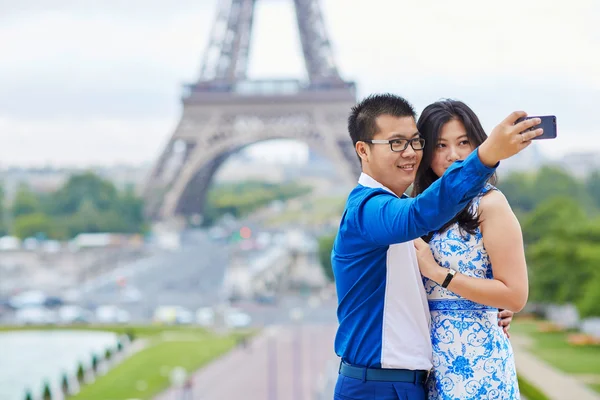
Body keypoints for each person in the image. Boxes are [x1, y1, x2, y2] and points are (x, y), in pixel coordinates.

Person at [331, 93, 542, 400]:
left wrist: (487, 308)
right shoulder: (375, 212)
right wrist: (484, 156)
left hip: (437, 375)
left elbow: (509, 291)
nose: (408, 152)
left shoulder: (414, 209)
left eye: (414, 142)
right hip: (384, 382)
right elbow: (417, 217)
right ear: (363, 150)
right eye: (395, 143)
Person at [412, 100, 527, 399]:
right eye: (440, 145)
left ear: (479, 143)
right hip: (430, 366)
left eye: (464, 142)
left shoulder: (491, 205)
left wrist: (439, 274)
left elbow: (515, 295)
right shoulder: (418, 211)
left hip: (479, 365)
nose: (454, 155)